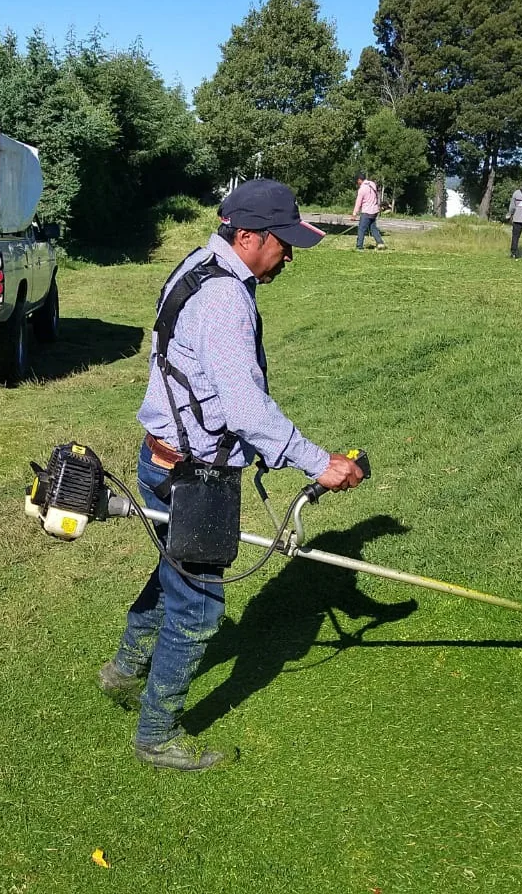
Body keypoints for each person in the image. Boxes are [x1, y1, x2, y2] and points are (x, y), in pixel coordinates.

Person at [97, 179, 366, 771]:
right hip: (195, 476)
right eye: (283, 243)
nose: (288, 255)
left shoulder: (198, 265)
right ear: (247, 236)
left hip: (162, 456)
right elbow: (245, 409)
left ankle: (123, 669)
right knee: (197, 609)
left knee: (174, 570)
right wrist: (320, 463)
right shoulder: (225, 300)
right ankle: (156, 734)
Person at [353, 172, 387, 251]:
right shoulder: (372, 184)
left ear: (359, 180)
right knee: (373, 227)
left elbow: (358, 202)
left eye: (357, 181)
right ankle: (380, 243)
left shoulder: (362, 189)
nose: (357, 183)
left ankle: (359, 246)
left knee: (361, 229)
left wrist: (354, 214)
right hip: (374, 211)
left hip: (366, 211)